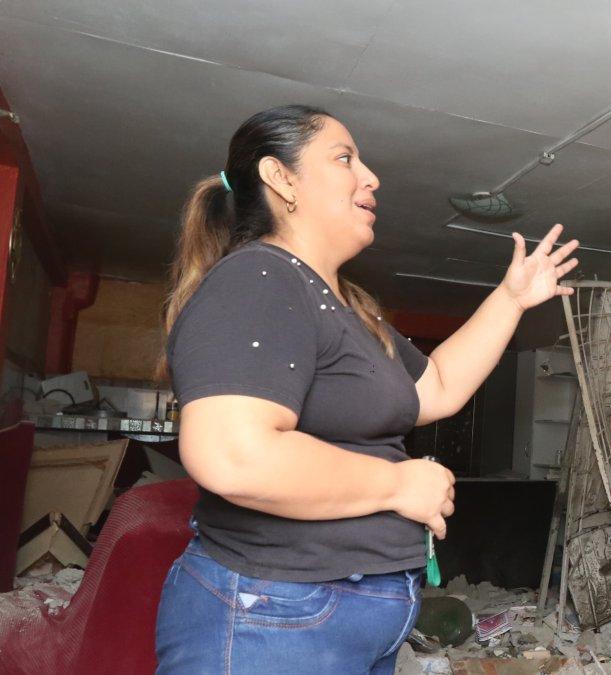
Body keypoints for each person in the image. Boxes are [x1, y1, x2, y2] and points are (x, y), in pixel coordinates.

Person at [154, 104, 579, 674]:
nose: (371, 177)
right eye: (344, 158)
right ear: (280, 177)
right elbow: (234, 454)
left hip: (340, 616)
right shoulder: (260, 278)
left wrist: (511, 300)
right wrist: (398, 484)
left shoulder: (349, 307)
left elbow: (437, 387)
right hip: (272, 616)